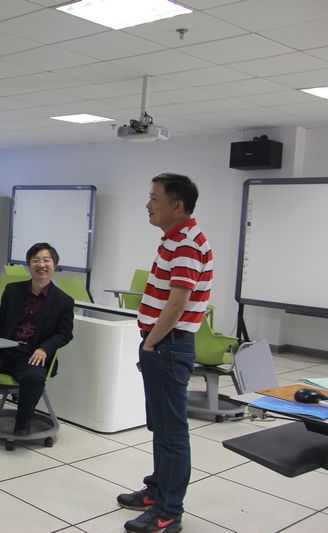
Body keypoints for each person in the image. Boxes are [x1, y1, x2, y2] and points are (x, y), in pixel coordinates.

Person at [118, 174, 212, 533]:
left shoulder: (186, 243)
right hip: (163, 344)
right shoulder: (174, 239)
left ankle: (168, 511)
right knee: (160, 425)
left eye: (155, 198)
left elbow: (177, 304)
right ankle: (157, 490)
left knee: (172, 432)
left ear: (178, 205)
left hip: (169, 345)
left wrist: (151, 343)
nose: (148, 204)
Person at [0, 243, 74, 436]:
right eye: (35, 260)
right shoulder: (13, 290)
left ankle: (23, 422)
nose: (41, 265)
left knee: (33, 378)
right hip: (3, 350)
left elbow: (65, 333)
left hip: (31, 355)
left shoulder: (64, 301)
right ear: (29, 264)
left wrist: (44, 348)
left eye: (46, 260)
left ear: (54, 265)